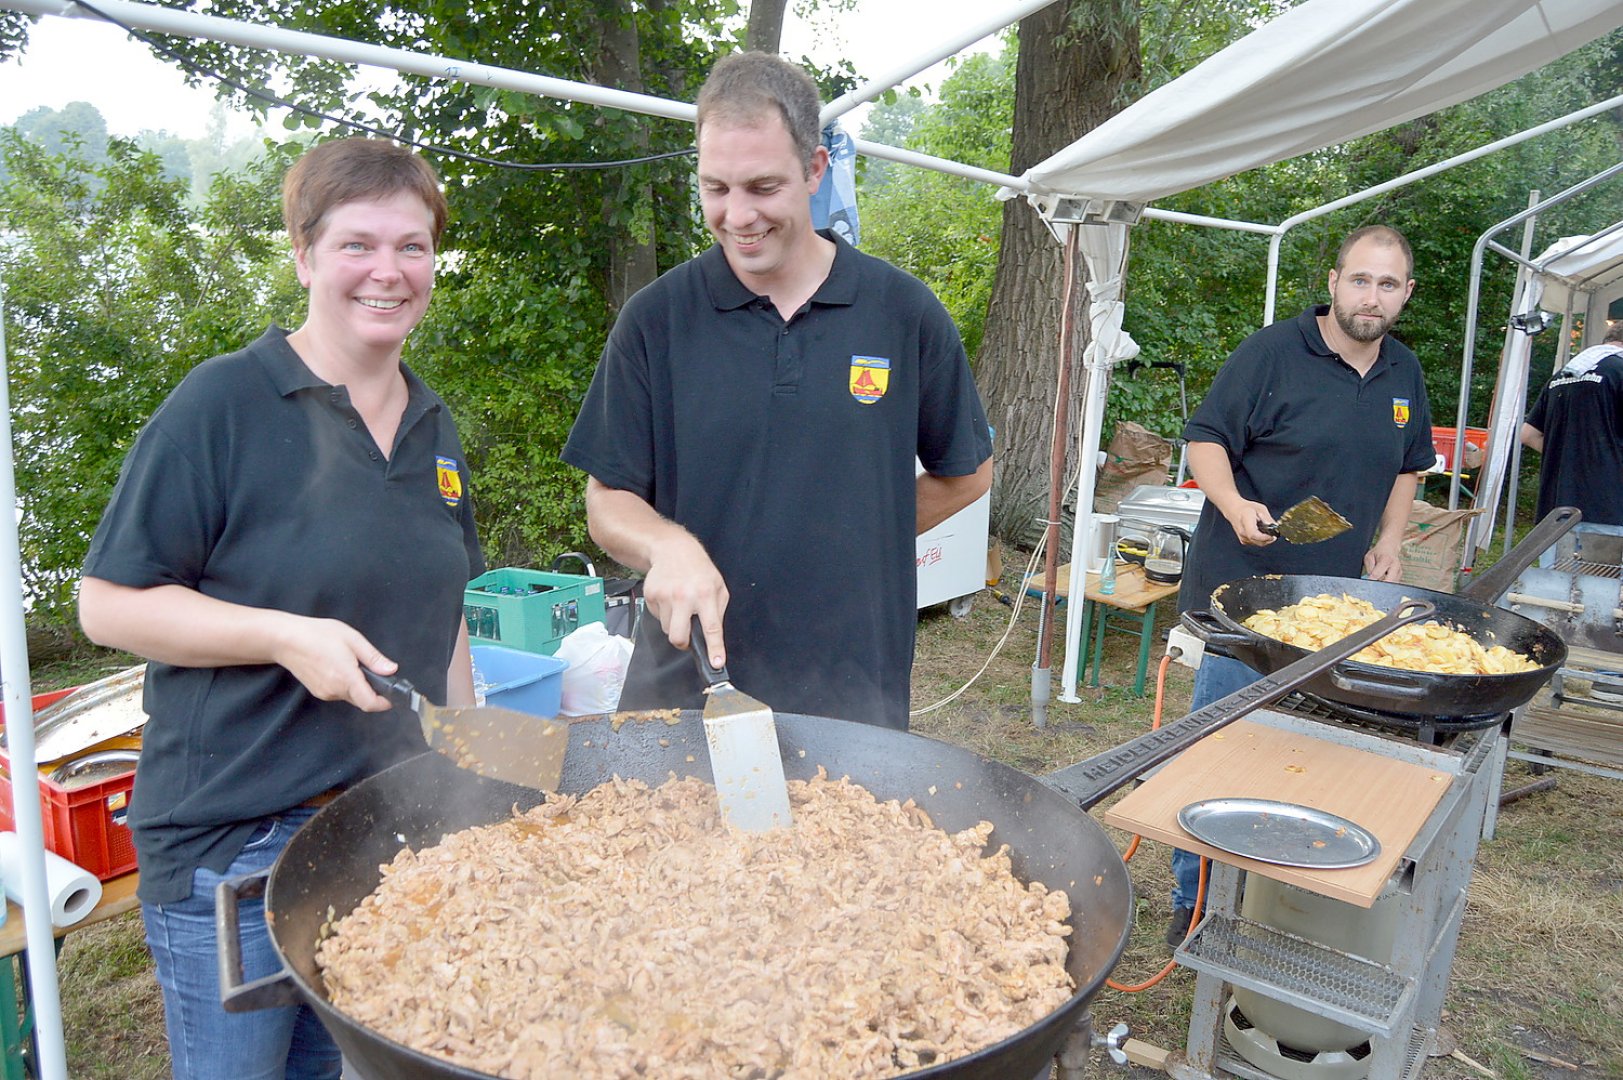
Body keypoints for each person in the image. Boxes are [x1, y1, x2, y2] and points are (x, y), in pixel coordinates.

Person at [77, 138, 484, 1080]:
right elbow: (106, 604)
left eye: (413, 246)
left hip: (376, 829)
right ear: (303, 255)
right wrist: (281, 636)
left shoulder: (434, 422)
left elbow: (449, 608)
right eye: (358, 244)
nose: (389, 271)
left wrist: (466, 761)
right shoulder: (223, 402)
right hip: (235, 841)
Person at [562, 52, 993, 732]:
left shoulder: (901, 312)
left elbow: (967, 474)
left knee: (851, 841)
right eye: (715, 188)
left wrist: (852, 536)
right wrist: (667, 547)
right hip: (685, 682)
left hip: (851, 683)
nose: (737, 216)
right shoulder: (657, 318)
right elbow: (606, 501)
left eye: (762, 188)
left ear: (814, 169)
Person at [1167, 224, 1436, 945]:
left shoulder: (1402, 371)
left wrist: (1387, 540)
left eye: (1386, 284)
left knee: (1300, 750)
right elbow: (1204, 439)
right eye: (1359, 279)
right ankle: (1191, 903)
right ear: (1333, 282)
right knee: (1220, 742)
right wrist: (1232, 504)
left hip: (1332, 600)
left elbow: (1408, 465)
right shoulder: (1272, 353)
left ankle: (1265, 894)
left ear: (1404, 294)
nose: (1370, 297)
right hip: (1243, 588)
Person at [1519, 319, 1623, 526]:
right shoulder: (1619, 370)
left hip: (1555, 510)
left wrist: (1569, 456)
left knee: (1557, 560)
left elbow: (1528, 434)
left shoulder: (1564, 373)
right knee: (1600, 560)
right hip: (1607, 509)